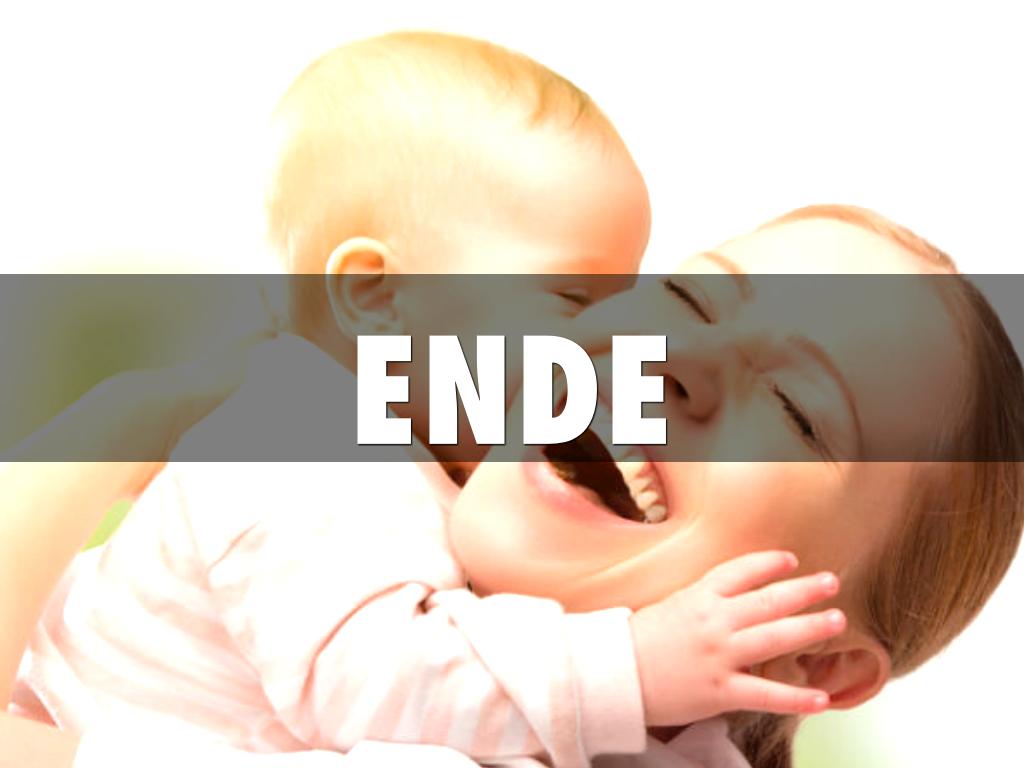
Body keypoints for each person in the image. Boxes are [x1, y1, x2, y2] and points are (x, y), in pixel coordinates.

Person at [6, 31, 840, 768]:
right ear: (377, 297)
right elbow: (373, 687)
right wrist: (632, 667)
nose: (609, 340)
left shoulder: (403, 461)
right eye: (574, 299)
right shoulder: (301, 445)